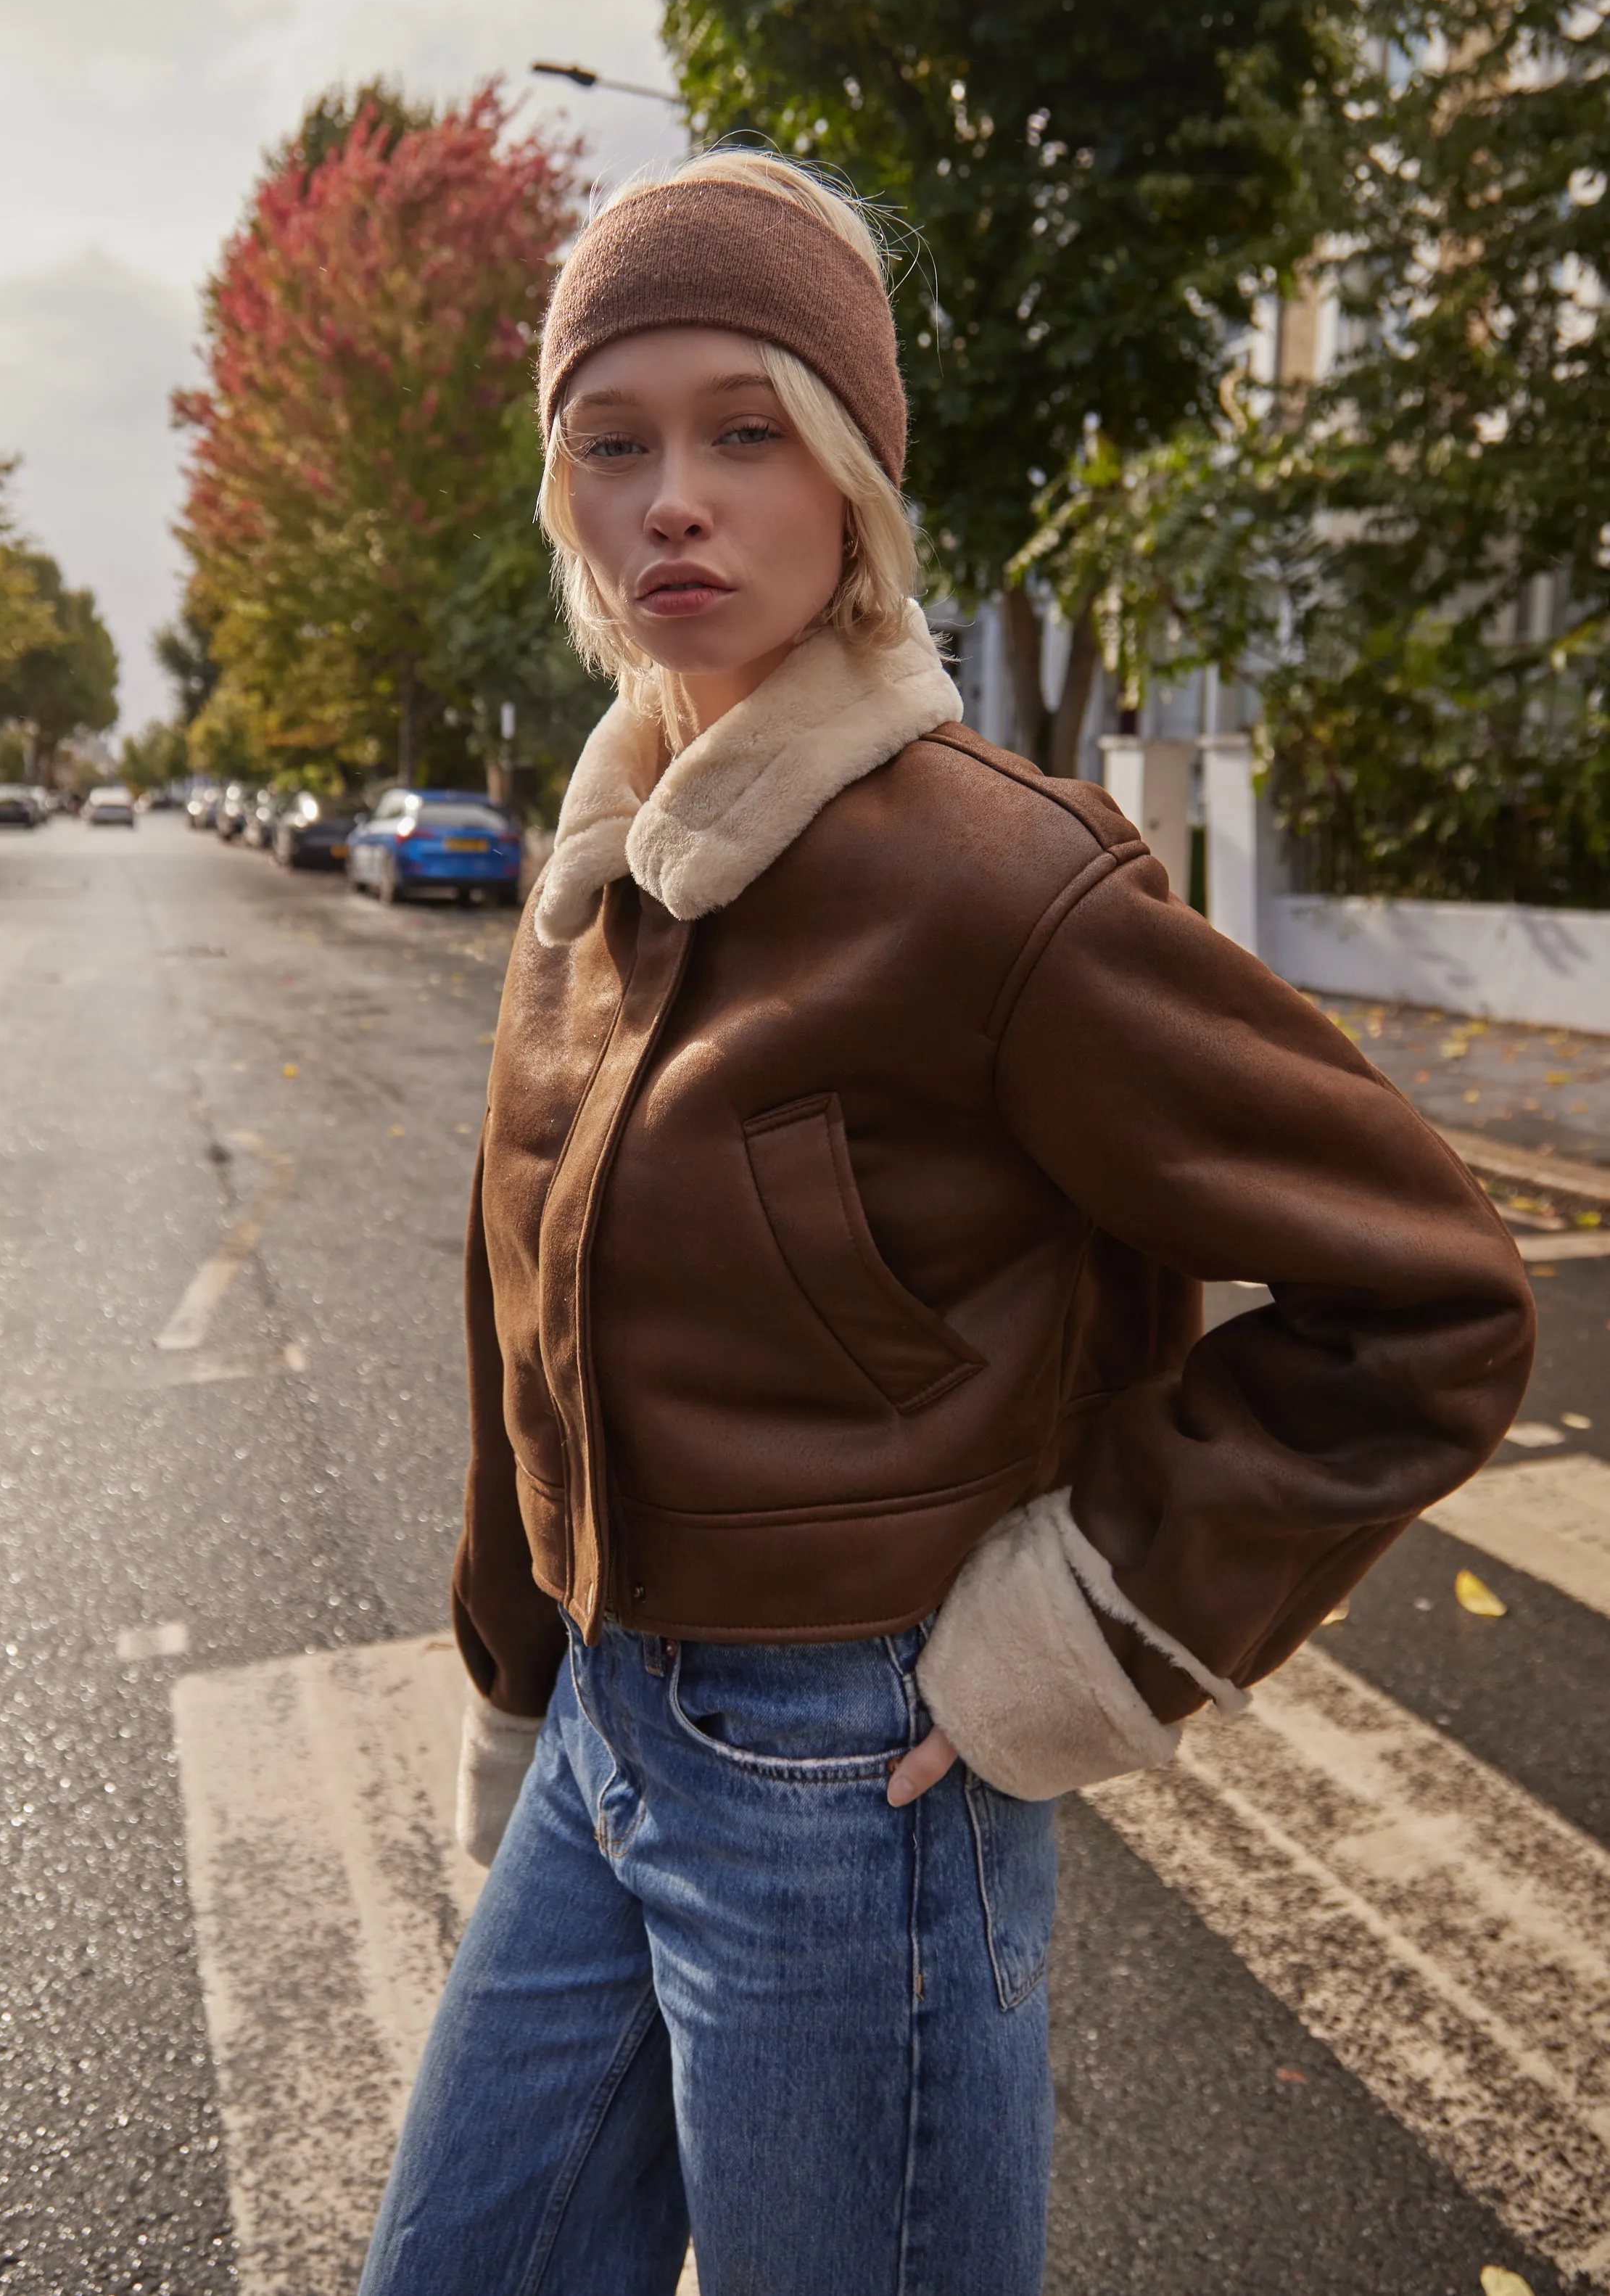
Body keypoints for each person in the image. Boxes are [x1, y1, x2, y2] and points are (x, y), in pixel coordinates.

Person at [356, 150, 1534, 2296]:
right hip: (598, 1740)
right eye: (610, 445)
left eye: (745, 427)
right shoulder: (597, 874)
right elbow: (515, 1310)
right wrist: (515, 1666)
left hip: (844, 1789)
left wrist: (1070, 1637)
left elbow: (1429, 1294)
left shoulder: (999, 880)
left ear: (853, 481)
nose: (672, 500)